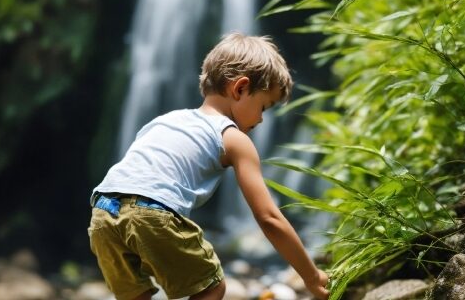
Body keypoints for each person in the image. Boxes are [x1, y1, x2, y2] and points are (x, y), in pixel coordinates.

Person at [88, 33, 330, 300]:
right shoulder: (233, 138)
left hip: (102, 212)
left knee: (135, 294)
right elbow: (269, 218)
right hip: (151, 211)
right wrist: (311, 275)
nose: (261, 119)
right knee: (211, 287)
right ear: (240, 88)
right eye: (264, 106)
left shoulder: (165, 120)